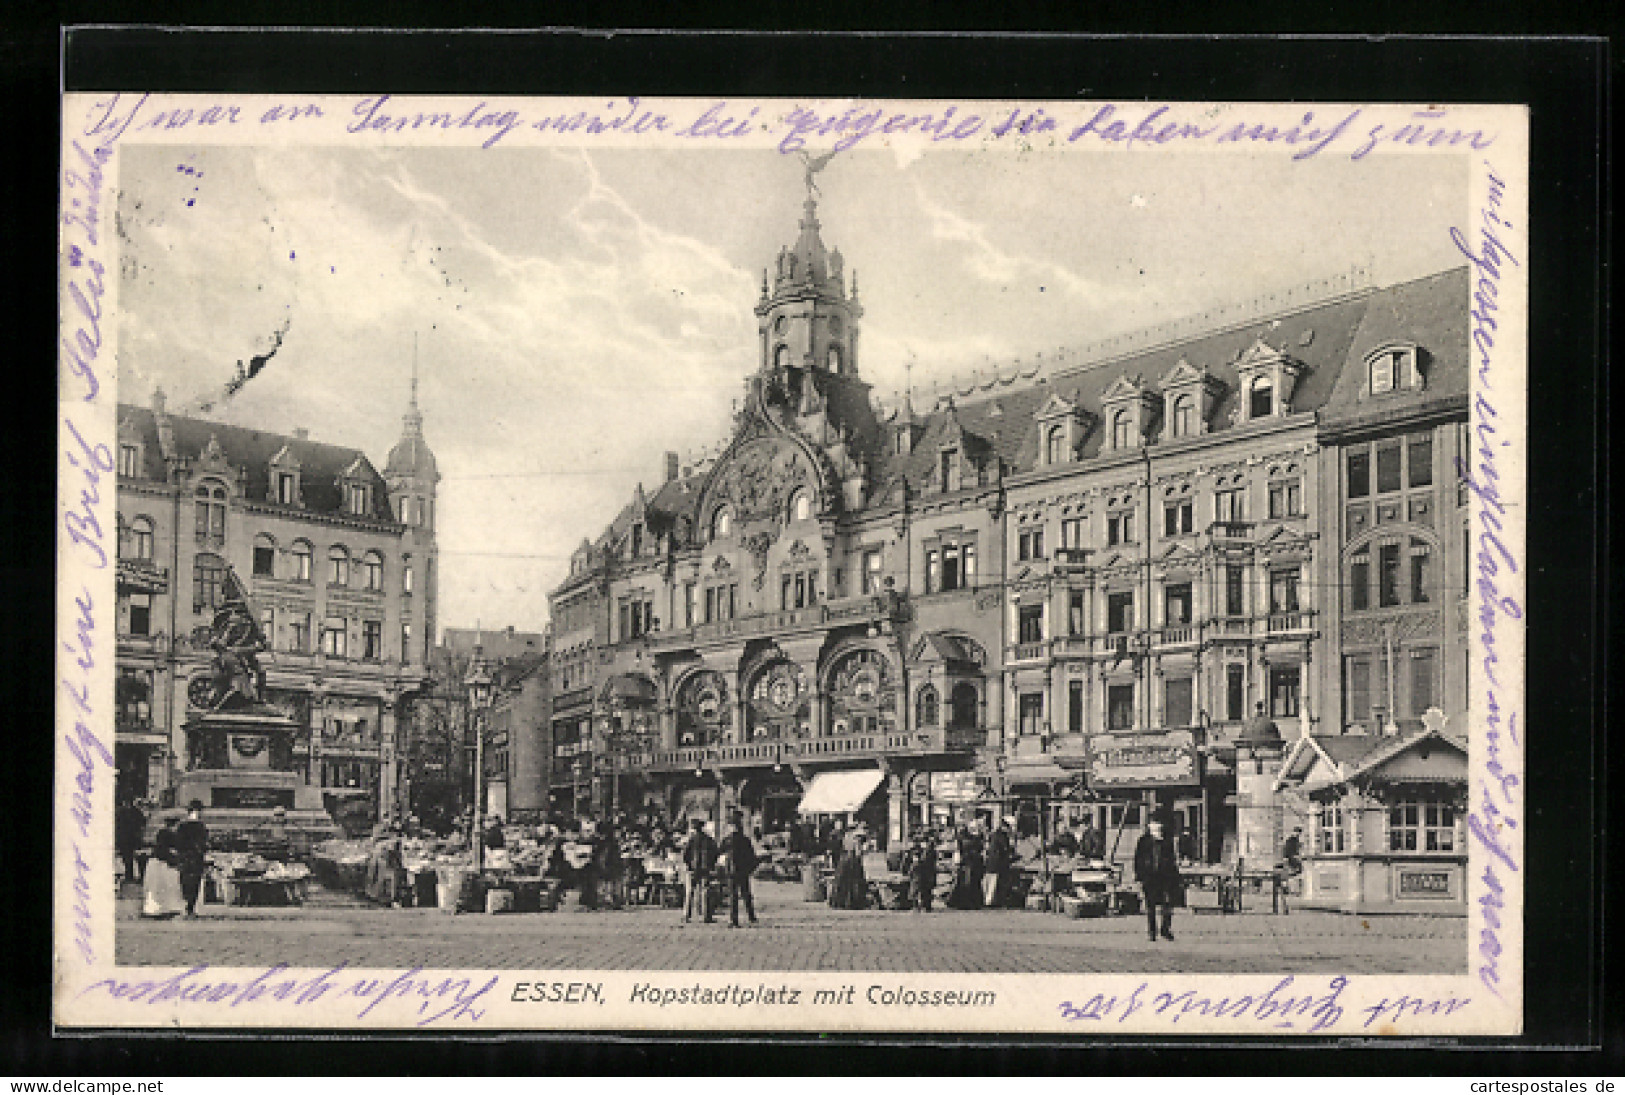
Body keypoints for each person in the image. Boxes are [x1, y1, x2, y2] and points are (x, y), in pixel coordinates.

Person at [1134, 812, 1185, 942]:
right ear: (1149, 826)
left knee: (1167, 904)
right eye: (1153, 824)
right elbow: (1138, 859)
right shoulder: (1143, 841)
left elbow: (1172, 859)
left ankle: (1165, 929)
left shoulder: (1167, 841)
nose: (1156, 827)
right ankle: (1152, 931)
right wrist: (1139, 876)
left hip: (1165, 877)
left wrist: (1176, 876)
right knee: (1150, 905)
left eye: (1158, 824)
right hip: (1149, 876)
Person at [721, 811, 760, 927]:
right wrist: (750, 868)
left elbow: (719, 852)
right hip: (742, 870)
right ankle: (751, 916)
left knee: (733, 895)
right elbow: (751, 856)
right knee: (746, 893)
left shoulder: (727, 840)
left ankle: (734, 919)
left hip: (731, 870)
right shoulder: (745, 840)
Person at [141, 817, 186, 918]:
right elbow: (168, 851)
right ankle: (165, 908)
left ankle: (155, 908)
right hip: (163, 863)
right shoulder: (170, 835)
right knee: (166, 886)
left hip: (157, 862)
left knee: (157, 888)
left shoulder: (162, 834)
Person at [175, 800, 210, 918]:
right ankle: (189, 906)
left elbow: (178, 843)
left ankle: (189, 906)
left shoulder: (184, 826)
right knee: (192, 882)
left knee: (188, 881)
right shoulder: (198, 826)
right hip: (192, 857)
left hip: (188, 857)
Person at [682, 817, 717, 924]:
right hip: (705, 868)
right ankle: (706, 916)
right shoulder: (709, 840)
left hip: (693, 868)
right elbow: (715, 853)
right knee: (705, 892)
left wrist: (688, 865)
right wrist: (711, 864)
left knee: (689, 892)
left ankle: (686, 915)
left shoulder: (691, 840)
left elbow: (685, 855)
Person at [828, 822, 869, 910]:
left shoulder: (846, 837)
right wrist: (864, 851)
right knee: (853, 881)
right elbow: (858, 853)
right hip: (852, 860)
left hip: (843, 859)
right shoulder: (856, 839)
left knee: (841, 881)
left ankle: (838, 902)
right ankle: (852, 902)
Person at [946, 824, 985, 909]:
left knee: (965, 882)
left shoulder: (962, 840)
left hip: (967, 862)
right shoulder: (973, 840)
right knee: (971, 883)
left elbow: (958, 852)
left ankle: (963, 902)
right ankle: (972, 902)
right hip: (970, 863)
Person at [984, 817, 1015, 908]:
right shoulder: (1000, 835)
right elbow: (1004, 849)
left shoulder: (996, 834)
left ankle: (992, 901)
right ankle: (990, 902)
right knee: (993, 883)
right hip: (997, 863)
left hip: (995, 862)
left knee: (993, 882)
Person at [903, 832, 938, 912]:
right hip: (922, 872)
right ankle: (922, 905)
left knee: (921, 889)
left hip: (922, 872)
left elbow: (922, 861)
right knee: (921, 889)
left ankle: (922, 906)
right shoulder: (919, 850)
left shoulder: (926, 851)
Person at [115, 799, 146, 887]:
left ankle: (130, 876)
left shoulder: (120, 812)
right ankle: (139, 876)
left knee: (128, 858)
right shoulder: (136, 811)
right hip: (133, 838)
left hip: (126, 838)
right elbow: (143, 823)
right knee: (136, 857)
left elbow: (117, 826)